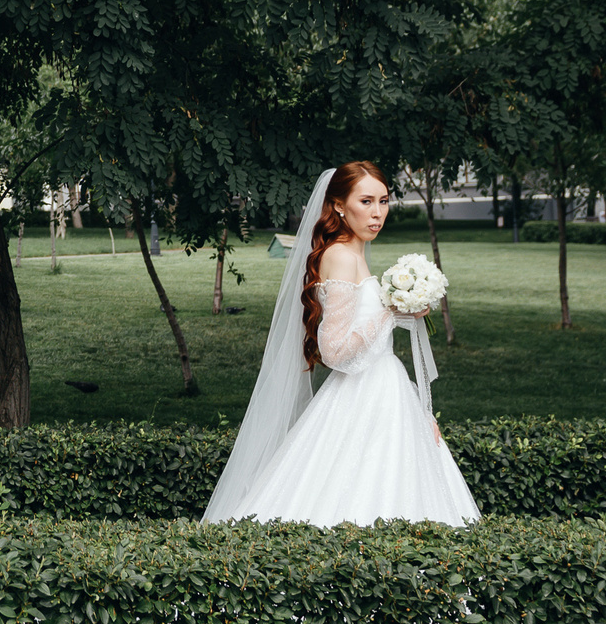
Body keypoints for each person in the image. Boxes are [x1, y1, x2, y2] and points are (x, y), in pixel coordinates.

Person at [201, 161, 479, 528]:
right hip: (362, 393)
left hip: (387, 387)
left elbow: (369, 332)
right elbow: (333, 351)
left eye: (383, 201)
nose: (377, 213)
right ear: (338, 205)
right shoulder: (341, 256)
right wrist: (390, 312)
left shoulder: (356, 251)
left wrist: (405, 313)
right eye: (365, 201)